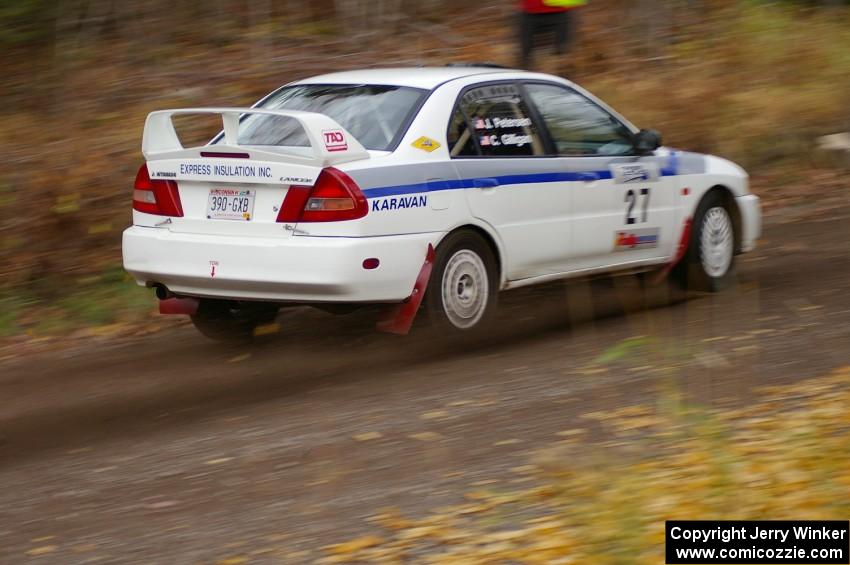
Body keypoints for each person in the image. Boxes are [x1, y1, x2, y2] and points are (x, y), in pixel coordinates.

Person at [518, 0, 586, 69]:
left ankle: (563, 75)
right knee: (525, 54)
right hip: (530, 13)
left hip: (559, 12)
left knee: (562, 51)